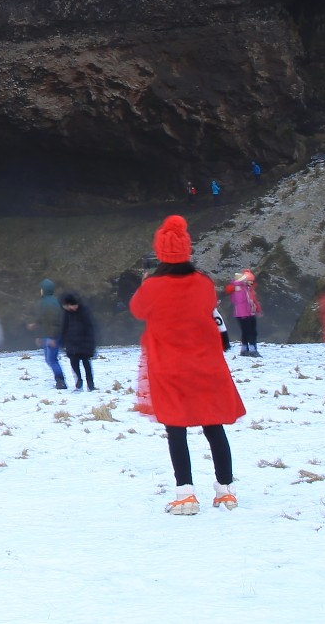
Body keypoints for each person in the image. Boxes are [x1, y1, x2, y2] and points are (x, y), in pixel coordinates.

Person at [129, 215, 244, 514]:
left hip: (169, 367)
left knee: (176, 430)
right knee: (214, 426)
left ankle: (185, 494)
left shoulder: (152, 287)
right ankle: (226, 491)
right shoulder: (203, 283)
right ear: (187, 250)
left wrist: (147, 283)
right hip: (205, 364)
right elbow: (208, 307)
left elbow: (137, 310)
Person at [32, 279, 66, 390]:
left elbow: (53, 321)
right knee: (50, 359)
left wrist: (52, 338)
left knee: (51, 359)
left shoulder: (45, 303)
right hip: (50, 335)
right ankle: (59, 380)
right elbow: (43, 321)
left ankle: (60, 381)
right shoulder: (54, 301)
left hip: (52, 336)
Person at [59, 293, 97, 390]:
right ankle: (79, 379)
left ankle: (90, 383)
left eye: (73, 305)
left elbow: (90, 328)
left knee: (86, 363)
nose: (72, 307)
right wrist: (62, 342)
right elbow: (64, 328)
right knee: (74, 363)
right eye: (70, 306)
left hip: (84, 342)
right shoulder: (67, 314)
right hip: (72, 343)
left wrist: (90, 344)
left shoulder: (84, 311)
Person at [226, 270, 262, 356]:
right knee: (249, 331)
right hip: (242, 313)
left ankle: (245, 349)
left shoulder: (248, 289)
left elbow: (254, 300)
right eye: (250, 280)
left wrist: (258, 310)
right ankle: (252, 350)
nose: (252, 282)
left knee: (249, 331)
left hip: (249, 313)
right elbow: (238, 300)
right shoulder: (239, 289)